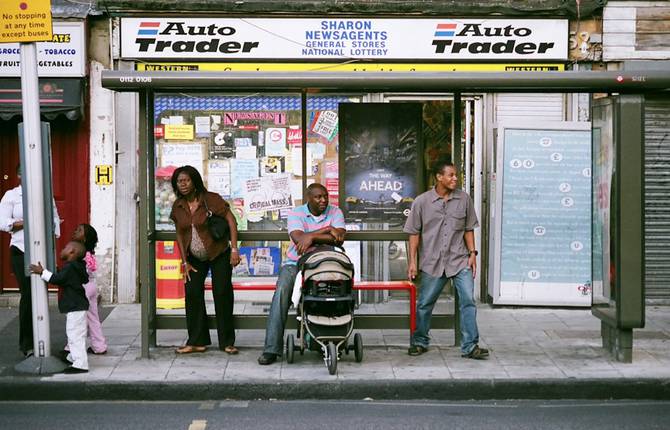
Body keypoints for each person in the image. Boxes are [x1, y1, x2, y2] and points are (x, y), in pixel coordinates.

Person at [404, 159, 489, 360]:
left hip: (459, 260)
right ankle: (420, 342)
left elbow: (468, 229)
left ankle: (470, 346)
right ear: (439, 177)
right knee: (424, 303)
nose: (455, 178)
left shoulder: (464, 199)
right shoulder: (422, 202)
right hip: (432, 261)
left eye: (455, 175)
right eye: (450, 175)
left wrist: (473, 254)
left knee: (468, 301)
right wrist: (413, 262)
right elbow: (413, 234)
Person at [257, 183, 346, 365]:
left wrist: (311, 236)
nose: (323, 200)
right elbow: (298, 238)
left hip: (325, 262)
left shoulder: (335, 212)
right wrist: (327, 230)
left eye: (325, 196)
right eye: (318, 197)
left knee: (340, 292)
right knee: (281, 293)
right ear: (308, 198)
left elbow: (339, 237)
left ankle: (333, 338)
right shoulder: (296, 213)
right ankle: (271, 349)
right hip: (295, 263)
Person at [170, 165, 241, 354]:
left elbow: (231, 221)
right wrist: (184, 261)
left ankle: (227, 342)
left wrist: (234, 249)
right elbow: (179, 233)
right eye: (179, 181)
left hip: (218, 252)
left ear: (195, 181)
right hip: (194, 258)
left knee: (222, 293)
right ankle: (196, 341)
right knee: (192, 294)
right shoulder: (178, 206)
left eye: (186, 180)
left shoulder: (211, 199)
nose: (183, 184)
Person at [0, 164, 61, 358]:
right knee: (28, 294)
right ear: (19, 176)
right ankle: (27, 344)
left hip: (42, 250)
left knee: (41, 293)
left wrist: (49, 230)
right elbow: (3, 223)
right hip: (20, 250)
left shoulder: (45, 195)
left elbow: (55, 221)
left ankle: (43, 339)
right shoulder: (11, 196)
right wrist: (27, 222)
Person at [30, 241, 90, 374]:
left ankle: (81, 364)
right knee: (75, 334)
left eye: (64, 247)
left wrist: (42, 272)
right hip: (77, 306)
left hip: (75, 307)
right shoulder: (76, 266)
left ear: (72, 252)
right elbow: (65, 278)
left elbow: (57, 279)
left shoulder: (70, 267)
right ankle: (72, 357)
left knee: (75, 336)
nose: (62, 249)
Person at [71, 223, 107, 355]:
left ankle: (70, 347)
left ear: (84, 238)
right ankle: (99, 345)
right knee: (93, 318)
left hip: (83, 288)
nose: (75, 231)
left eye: (79, 230)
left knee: (77, 319)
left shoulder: (78, 253)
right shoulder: (90, 254)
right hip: (92, 286)